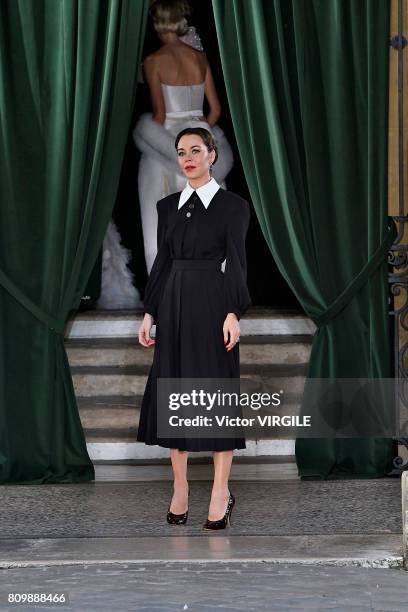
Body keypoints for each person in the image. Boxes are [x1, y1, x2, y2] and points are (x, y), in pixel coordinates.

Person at [137, 127, 252, 530]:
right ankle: (180, 488)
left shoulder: (232, 206)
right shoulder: (167, 206)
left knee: (216, 390)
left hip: (214, 303)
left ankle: (221, 490)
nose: (188, 157)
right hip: (172, 304)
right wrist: (150, 311)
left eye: (196, 150)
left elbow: (237, 261)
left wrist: (233, 311)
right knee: (176, 391)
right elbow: (162, 262)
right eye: (182, 151)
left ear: (212, 156)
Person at [133, 0, 233, 273]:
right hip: (201, 143)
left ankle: (166, 291)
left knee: (161, 225)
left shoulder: (154, 61)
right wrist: (202, 135)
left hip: (170, 147)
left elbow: (160, 114)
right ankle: (212, 288)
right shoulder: (199, 57)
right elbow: (215, 110)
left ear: (158, 24)